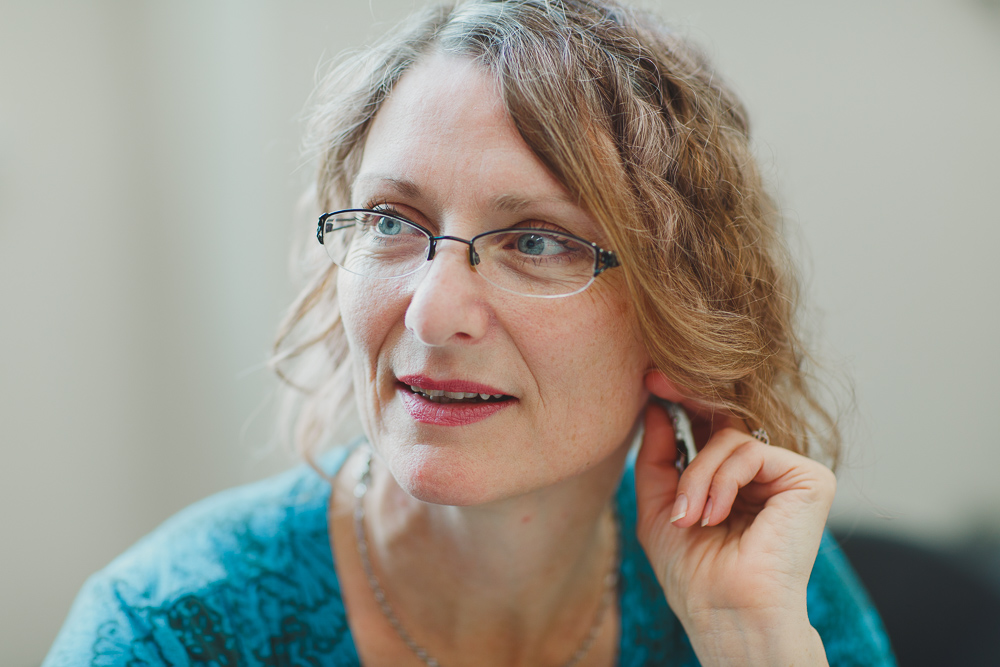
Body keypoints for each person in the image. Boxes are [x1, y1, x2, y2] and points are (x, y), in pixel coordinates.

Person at [45, 0, 895, 665]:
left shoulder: (762, 584)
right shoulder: (165, 631)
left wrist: (749, 645)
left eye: (536, 242)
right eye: (390, 220)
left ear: (680, 316)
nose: (430, 311)